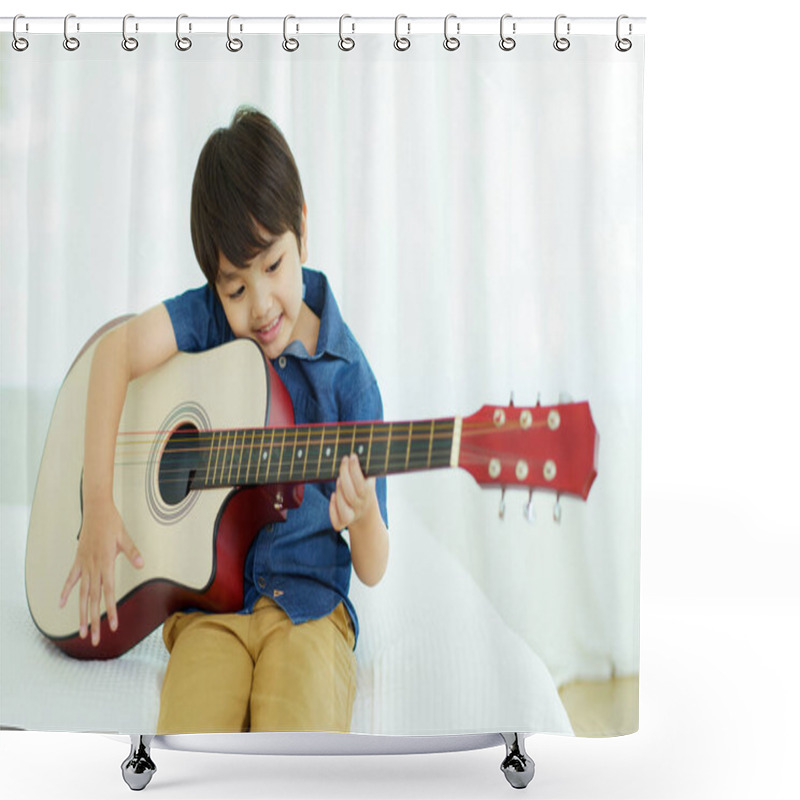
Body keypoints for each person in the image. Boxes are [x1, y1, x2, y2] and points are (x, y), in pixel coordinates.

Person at [58, 107, 389, 734]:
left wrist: (364, 512)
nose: (261, 306)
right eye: (235, 288)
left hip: (312, 612)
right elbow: (114, 353)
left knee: (297, 746)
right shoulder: (208, 320)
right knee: (193, 740)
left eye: (273, 267)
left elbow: (373, 566)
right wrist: (98, 505)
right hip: (209, 609)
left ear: (303, 234)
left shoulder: (350, 377)